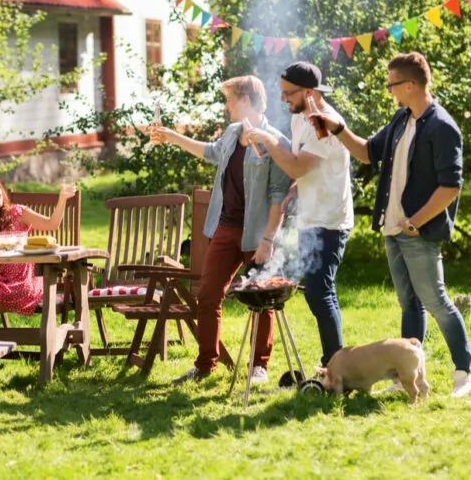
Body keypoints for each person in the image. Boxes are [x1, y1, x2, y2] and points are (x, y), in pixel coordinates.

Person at [316, 51, 471, 397]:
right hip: (394, 230)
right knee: (409, 304)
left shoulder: (442, 127)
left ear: (411, 84)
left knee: (436, 301)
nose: (389, 90)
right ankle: (407, 379)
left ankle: (465, 372)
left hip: (419, 231)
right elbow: (367, 152)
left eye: (392, 84)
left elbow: (450, 187)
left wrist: (415, 222)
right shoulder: (402, 119)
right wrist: (337, 128)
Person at [151, 76, 292, 385]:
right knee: (208, 295)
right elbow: (209, 151)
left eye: (229, 100)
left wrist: (268, 240)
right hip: (226, 228)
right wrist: (171, 136)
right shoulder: (232, 133)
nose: (227, 107)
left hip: (258, 234)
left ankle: (258, 366)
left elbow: (278, 197)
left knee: (261, 298)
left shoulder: (276, 142)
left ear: (245, 100)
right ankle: (204, 365)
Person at [246, 61, 353, 367]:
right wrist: (295, 188)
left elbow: (294, 165)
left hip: (330, 220)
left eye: (287, 93)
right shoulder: (299, 117)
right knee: (317, 293)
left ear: (308, 92)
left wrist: (268, 140)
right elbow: (302, 166)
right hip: (310, 217)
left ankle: (335, 367)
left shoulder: (325, 124)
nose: (282, 99)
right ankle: (333, 364)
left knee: (320, 292)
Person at [0, 173, 76, 328]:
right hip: (3, 280)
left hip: (26, 282)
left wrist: (62, 199)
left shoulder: (17, 213)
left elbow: (51, 224)